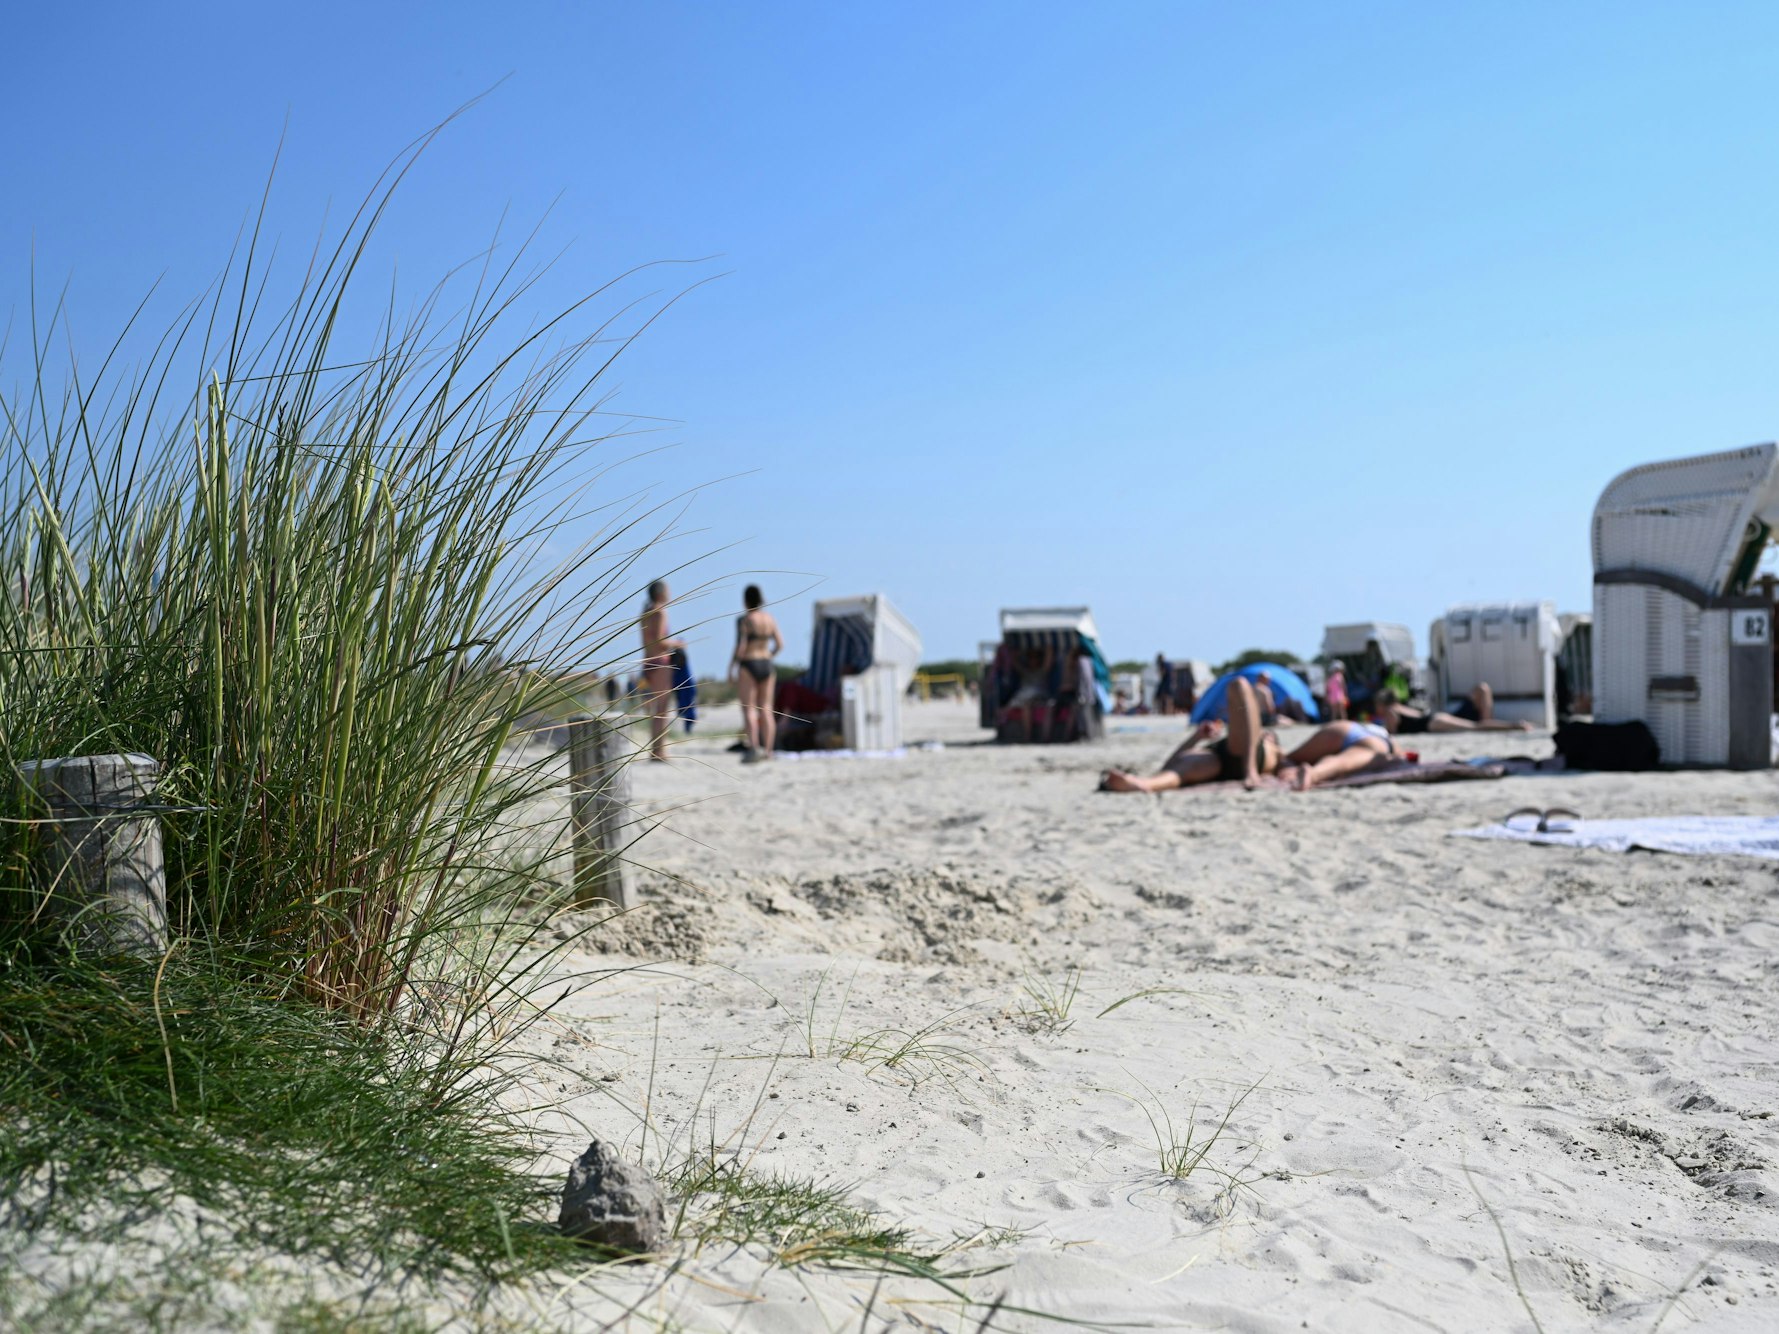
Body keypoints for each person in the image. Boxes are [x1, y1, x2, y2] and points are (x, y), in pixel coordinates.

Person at [1102, 677, 1393, 794]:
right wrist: (1195, 738)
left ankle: (1144, 784)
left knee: (1240, 685)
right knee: (1179, 771)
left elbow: (1287, 765)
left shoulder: (1274, 750)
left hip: (1243, 757)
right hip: (1222, 757)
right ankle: (1141, 784)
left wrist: (1282, 768)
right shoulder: (1274, 750)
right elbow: (1173, 763)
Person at [730, 584, 783, 760]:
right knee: (766, 709)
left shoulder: (745, 620)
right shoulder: (770, 619)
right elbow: (780, 644)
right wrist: (769, 656)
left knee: (749, 709)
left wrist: (732, 667)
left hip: (749, 663)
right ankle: (769, 751)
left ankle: (754, 747)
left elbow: (741, 646)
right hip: (766, 663)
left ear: (745, 601)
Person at [1372, 684, 1534, 734]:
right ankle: (1495, 721)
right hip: (1436, 717)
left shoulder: (1390, 711)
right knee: (1481, 690)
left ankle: (1516, 725)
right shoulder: (1399, 706)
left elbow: (1392, 732)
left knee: (1476, 727)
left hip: (1434, 723)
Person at [641, 580, 684, 761]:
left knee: (656, 710)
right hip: (660, 662)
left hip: (648, 662)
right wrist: (678, 643)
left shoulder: (645, 613)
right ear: (660, 593)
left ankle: (655, 749)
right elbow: (660, 640)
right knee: (662, 709)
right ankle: (660, 751)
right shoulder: (660, 612)